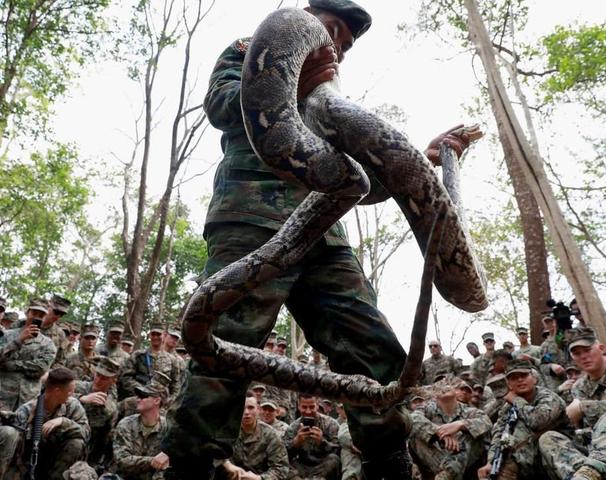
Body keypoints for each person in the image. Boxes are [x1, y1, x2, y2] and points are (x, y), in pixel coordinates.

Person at [162, 2, 473, 478]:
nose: (338, 50)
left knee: (372, 347)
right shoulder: (253, 49)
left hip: (324, 232)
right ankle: (193, 465)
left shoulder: (331, 102)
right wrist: (291, 83)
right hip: (251, 218)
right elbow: (223, 107)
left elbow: (360, 181)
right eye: (333, 33)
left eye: (346, 46)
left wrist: (416, 158)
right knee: (228, 342)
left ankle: (386, 461)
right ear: (306, 16)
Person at [539, 328, 606, 480]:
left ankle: (589, 475)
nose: (583, 357)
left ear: (601, 348)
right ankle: (583, 475)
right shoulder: (578, 388)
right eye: (577, 353)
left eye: (587, 350)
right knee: (548, 438)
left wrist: (584, 406)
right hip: (595, 451)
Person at [477, 360, 567, 480]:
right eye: (514, 378)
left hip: (555, 454)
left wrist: (516, 400)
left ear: (534, 379)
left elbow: (538, 421)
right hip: (526, 459)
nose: (519, 380)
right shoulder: (508, 407)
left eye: (524, 376)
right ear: (509, 384)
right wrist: (492, 461)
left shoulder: (548, 397)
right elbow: (500, 433)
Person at [0, 367, 90, 480]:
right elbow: (16, 448)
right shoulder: (28, 410)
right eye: (70, 391)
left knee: (77, 443)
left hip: (56, 461)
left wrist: (64, 422)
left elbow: (86, 434)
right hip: (26, 463)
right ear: (57, 391)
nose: (72, 394)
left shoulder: (72, 406)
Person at [409, 375, 491, 480]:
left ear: (456, 390)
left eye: (448, 384)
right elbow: (412, 418)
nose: (444, 387)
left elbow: (486, 422)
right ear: (434, 394)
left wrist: (460, 424)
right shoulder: (427, 409)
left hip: (466, 467)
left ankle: (448, 474)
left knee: (472, 433)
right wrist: (438, 432)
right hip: (435, 462)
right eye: (439, 385)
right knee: (415, 433)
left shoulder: (469, 411)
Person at [0, 298, 56, 410]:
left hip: (28, 402)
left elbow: (40, 368)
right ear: (27, 312)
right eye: (34, 313)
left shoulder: (48, 344)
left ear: (44, 318)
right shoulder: (6, 335)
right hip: (2, 396)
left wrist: (12, 365)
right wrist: (19, 341)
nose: (36, 317)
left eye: (41, 315)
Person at [112, 375, 171, 479]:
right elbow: (121, 460)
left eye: (143, 396)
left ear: (156, 401)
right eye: (138, 396)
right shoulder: (126, 424)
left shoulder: (168, 429)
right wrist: (152, 461)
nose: (138, 399)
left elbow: (169, 463)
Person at [220, 393, 290, 479]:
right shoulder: (226, 431)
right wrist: (226, 464)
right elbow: (210, 453)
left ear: (258, 409)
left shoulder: (270, 435)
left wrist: (259, 478)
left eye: (251, 408)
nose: (246, 412)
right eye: (242, 407)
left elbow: (281, 468)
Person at [74, 356, 121, 468]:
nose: (98, 380)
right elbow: (56, 394)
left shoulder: (110, 405)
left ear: (113, 381)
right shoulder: (78, 387)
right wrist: (81, 398)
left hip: (91, 450)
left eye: (104, 378)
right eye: (98, 375)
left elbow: (105, 438)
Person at [284, 394, 341, 480]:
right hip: (302, 466)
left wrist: (322, 443)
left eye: (312, 407)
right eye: (304, 407)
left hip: (323, 465)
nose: (308, 411)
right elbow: (283, 454)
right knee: (284, 464)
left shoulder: (331, 424)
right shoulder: (293, 427)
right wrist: (296, 442)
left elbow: (338, 451)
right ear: (298, 406)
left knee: (334, 459)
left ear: (317, 405)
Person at [119, 322, 178, 403]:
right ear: (149, 335)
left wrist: (169, 401)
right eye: (153, 334)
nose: (155, 337)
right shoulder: (138, 355)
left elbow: (175, 385)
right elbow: (126, 377)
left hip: (161, 403)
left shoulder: (172, 360)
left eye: (158, 334)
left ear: (164, 335)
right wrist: (141, 391)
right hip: (139, 400)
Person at [40, 294, 72, 367]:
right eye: (56, 312)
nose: (58, 316)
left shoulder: (60, 334)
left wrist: (49, 374)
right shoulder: (26, 323)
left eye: (62, 314)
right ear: (48, 307)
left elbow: (60, 361)